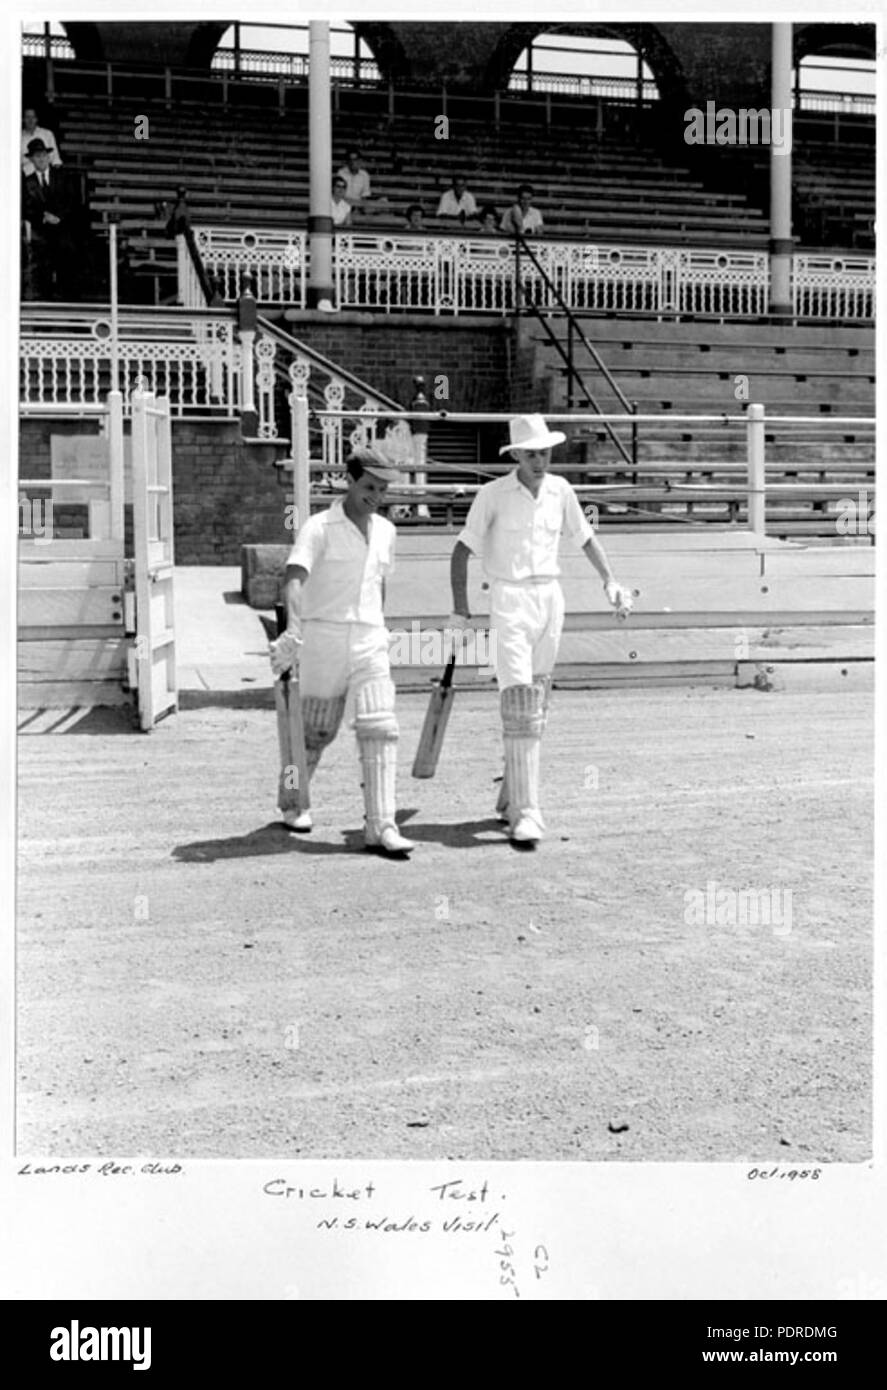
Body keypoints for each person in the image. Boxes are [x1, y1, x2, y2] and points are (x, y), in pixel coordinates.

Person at [448, 413, 632, 846]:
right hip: (508, 599)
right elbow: (461, 551)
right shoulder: (492, 495)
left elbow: (584, 537)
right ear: (516, 455)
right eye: (531, 454)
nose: (539, 461)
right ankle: (526, 812)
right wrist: (460, 611)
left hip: (550, 598)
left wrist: (610, 580)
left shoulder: (561, 490)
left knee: (539, 697)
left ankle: (513, 790)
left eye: (544, 452)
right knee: (519, 700)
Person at [271, 445, 415, 857]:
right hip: (323, 636)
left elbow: (379, 584)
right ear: (349, 481)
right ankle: (293, 799)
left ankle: (381, 825)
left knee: (381, 726)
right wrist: (294, 633)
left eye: (383, 488)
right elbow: (294, 579)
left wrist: (381, 627)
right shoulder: (319, 527)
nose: (376, 495)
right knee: (313, 731)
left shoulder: (387, 531)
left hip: (370, 637)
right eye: (369, 486)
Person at [22, 138, 83, 299]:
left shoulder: (62, 177)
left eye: (43, 155)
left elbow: (72, 201)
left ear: (49, 157)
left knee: (68, 273)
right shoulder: (27, 183)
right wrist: (43, 217)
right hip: (41, 235)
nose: (41, 159)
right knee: (43, 276)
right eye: (36, 156)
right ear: (31, 159)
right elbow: (26, 208)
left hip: (64, 232)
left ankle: (70, 308)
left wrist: (59, 217)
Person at [21, 107, 61, 177]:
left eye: (33, 117)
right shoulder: (17, 137)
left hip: (46, 173)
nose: (30, 120)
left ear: (36, 119)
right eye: (27, 117)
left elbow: (55, 159)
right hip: (25, 175)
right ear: (23, 119)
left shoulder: (47, 134)